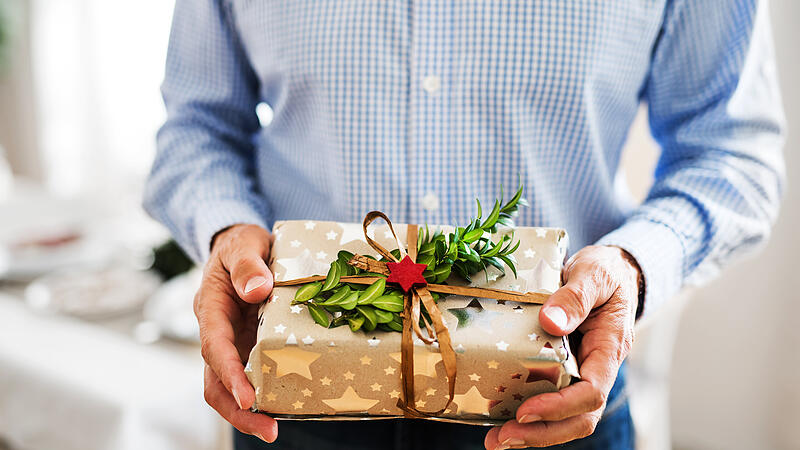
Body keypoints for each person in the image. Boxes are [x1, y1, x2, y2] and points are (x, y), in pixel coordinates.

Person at [144, 1, 785, 448]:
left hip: (549, 400)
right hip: (294, 399)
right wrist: (227, 230)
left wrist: (630, 265)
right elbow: (196, 129)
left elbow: (732, 154)